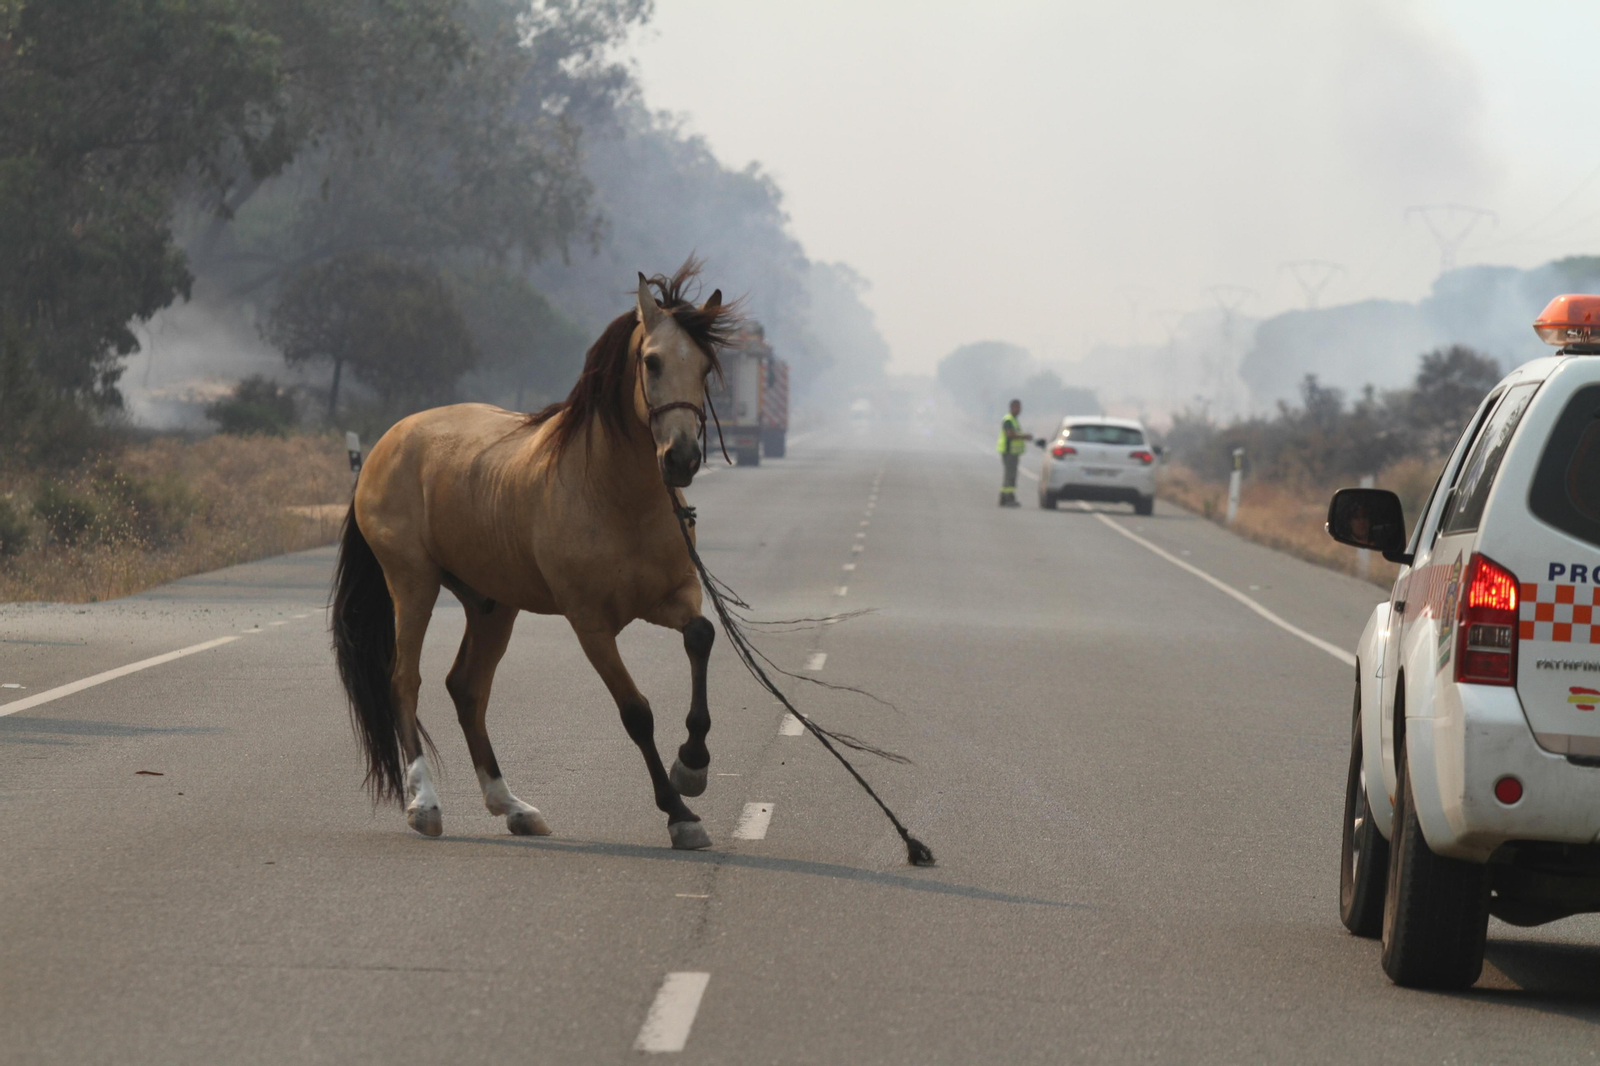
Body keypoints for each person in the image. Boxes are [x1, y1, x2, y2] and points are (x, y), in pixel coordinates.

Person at [996, 398, 1034, 507]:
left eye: (1020, 407)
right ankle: (1008, 498)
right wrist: (1024, 436)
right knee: (1010, 475)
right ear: (1012, 407)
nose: (1019, 410)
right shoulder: (1008, 420)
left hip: (1013, 452)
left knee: (1010, 475)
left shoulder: (1014, 420)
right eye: (1017, 407)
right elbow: (1010, 435)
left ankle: (1004, 497)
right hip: (1009, 451)